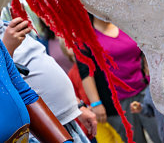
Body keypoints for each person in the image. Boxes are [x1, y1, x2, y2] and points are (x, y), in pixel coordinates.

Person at [1, 15, 96, 143]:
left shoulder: (7, 27)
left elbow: (25, 91)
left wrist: (76, 106)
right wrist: (7, 48)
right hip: (33, 136)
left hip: (56, 126)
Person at [77, 14, 160, 143]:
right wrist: (96, 103)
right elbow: (86, 72)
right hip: (118, 103)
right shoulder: (85, 36)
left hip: (146, 92)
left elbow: (147, 50)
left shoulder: (127, 23)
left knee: (162, 136)